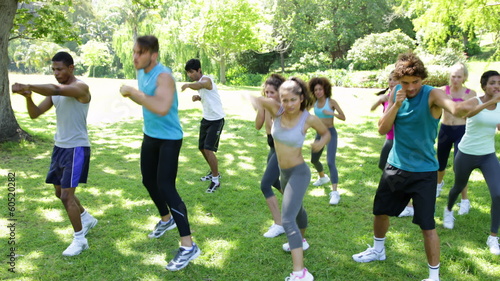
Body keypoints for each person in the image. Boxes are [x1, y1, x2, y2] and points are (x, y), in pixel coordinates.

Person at [351, 52, 487, 281]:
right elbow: (383, 129)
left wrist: (484, 99)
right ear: (398, 81)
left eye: (416, 82)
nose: (411, 87)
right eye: (406, 82)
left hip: (424, 172)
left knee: (427, 225)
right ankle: (378, 250)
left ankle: (434, 277)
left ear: (422, 79)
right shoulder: (397, 93)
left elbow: (456, 110)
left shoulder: (432, 94)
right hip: (396, 166)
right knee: (380, 211)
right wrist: (396, 104)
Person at [120, 35, 200, 271]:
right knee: (148, 180)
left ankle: (188, 246)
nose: (135, 57)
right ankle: (166, 219)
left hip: (169, 139)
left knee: (166, 186)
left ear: (153, 55)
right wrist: (135, 94)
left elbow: (162, 107)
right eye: (134, 52)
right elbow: (147, 102)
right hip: (150, 135)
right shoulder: (142, 71)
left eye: (140, 53)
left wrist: (132, 93)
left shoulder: (164, 76)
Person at [11, 51, 98, 256]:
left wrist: (29, 85)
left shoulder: (80, 88)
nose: (56, 73)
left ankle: (80, 240)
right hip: (59, 147)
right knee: (60, 193)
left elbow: (56, 88)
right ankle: (86, 218)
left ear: (71, 68)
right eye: (53, 70)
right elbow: (35, 114)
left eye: (59, 69)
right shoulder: (55, 92)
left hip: (77, 148)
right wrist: (28, 97)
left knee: (68, 196)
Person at [251, 77, 330, 281]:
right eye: (284, 100)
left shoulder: (308, 119)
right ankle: (301, 241)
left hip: (299, 172)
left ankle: (300, 273)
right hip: (283, 172)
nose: (289, 104)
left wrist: (320, 144)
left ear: (301, 98)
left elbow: (325, 133)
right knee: (298, 211)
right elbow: (256, 99)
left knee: (287, 219)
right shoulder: (278, 112)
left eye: (293, 99)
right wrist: (262, 103)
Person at [443, 70, 500, 255]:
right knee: (458, 187)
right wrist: (491, 102)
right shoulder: (476, 101)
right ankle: (449, 210)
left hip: (488, 155)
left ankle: (493, 237)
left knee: (498, 194)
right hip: (466, 152)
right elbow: (466, 115)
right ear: (484, 86)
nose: (496, 86)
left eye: (499, 83)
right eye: (492, 83)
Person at [370, 72, 414, 217]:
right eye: (390, 80)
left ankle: (408, 205)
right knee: (383, 165)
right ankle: (400, 195)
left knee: (400, 171)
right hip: (388, 138)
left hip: (399, 140)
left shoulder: (404, 98)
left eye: (395, 80)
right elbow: (373, 110)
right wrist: (381, 100)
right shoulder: (388, 97)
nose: (391, 83)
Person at [436, 63, 477, 216]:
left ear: (464, 77)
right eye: (453, 76)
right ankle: (438, 185)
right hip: (445, 129)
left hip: (461, 131)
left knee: (460, 167)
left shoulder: (471, 93)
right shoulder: (441, 91)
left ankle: (464, 200)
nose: (455, 79)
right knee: (440, 163)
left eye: (459, 76)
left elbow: (475, 114)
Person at [181, 59, 225, 193]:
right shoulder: (200, 83)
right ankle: (213, 172)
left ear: (199, 70)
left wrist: (188, 85)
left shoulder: (207, 80)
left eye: (191, 72)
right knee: (201, 148)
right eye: (188, 73)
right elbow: (205, 92)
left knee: (208, 149)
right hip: (206, 119)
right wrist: (198, 98)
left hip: (216, 120)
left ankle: (216, 180)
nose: (190, 75)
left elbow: (203, 85)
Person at [255, 74, 286, 238]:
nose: (268, 96)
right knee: (274, 181)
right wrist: (261, 107)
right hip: (272, 145)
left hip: (282, 147)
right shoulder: (267, 105)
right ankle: (294, 203)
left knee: (265, 184)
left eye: (272, 93)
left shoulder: (282, 108)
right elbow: (258, 126)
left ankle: (279, 224)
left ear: (280, 93)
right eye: (266, 92)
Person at [308, 77, 345, 205]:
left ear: (325, 89)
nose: (318, 92)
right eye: (316, 89)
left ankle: (335, 193)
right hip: (319, 134)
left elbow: (343, 117)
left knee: (330, 161)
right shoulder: (313, 102)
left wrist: (331, 113)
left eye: (320, 89)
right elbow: (303, 112)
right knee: (313, 159)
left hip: (331, 133)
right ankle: (323, 177)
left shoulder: (331, 102)